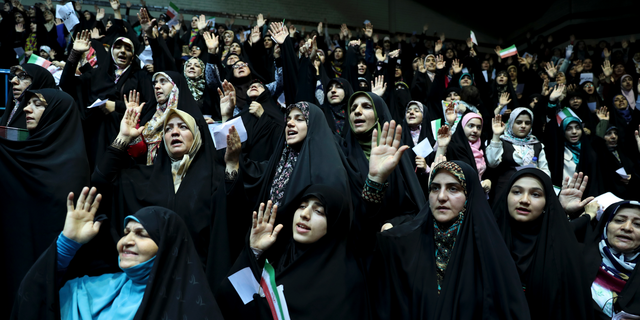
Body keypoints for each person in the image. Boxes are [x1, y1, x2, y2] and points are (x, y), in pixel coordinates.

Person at [11, 187, 222, 319]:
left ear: (168, 249)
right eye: (126, 233)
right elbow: (32, 300)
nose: (126, 242)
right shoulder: (90, 289)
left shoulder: (193, 308)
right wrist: (67, 244)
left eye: (142, 234)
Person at [370, 160, 530, 319]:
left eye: (453, 189)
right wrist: (375, 182)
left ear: (469, 194)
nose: (441, 197)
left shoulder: (489, 251)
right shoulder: (404, 244)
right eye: (435, 188)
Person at [215, 185, 370, 319]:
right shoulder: (276, 258)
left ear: (334, 224)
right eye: (301, 206)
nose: (305, 214)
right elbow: (228, 299)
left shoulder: (344, 283)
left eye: (318, 211)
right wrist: (254, 252)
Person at [0, 89, 90, 316]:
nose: (27, 109)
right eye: (27, 103)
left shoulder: (73, 165)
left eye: (37, 104)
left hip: (51, 271)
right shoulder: (14, 153)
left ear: (56, 112)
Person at [92, 107, 218, 262]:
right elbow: (101, 180)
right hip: (151, 276)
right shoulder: (145, 177)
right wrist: (123, 137)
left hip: (197, 276)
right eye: (168, 129)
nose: (174, 132)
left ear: (197, 135)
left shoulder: (215, 179)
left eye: (183, 127)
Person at [492, 168, 595, 319]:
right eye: (517, 192)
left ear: (547, 202)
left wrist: (560, 210)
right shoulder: (487, 239)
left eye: (535, 194)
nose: (524, 200)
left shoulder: (559, 247)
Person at [583, 201, 640, 318]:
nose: (627, 228)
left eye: (638, 224)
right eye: (619, 220)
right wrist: (586, 217)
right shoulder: (577, 257)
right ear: (606, 224)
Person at [486, 108, 550, 199]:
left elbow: (545, 172)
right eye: (519, 122)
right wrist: (496, 135)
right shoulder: (502, 142)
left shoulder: (536, 144)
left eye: (527, 123)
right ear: (511, 123)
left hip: (530, 193)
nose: (523, 126)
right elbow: (492, 163)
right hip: (504, 193)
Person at [1, 64, 56, 128]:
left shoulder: (50, 119)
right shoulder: (10, 112)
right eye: (13, 76)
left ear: (38, 82)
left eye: (23, 76)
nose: (13, 81)